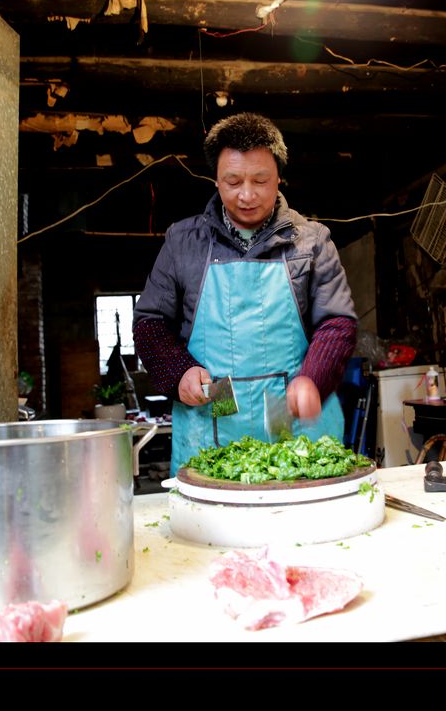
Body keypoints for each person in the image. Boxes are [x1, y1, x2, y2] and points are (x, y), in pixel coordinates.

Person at [133, 113, 358, 474]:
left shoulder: (313, 242)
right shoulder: (182, 243)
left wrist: (314, 378)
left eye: (260, 180)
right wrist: (179, 373)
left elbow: (337, 321)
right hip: (216, 413)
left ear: (279, 178)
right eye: (233, 181)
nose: (247, 194)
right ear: (216, 181)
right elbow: (150, 323)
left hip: (295, 421)